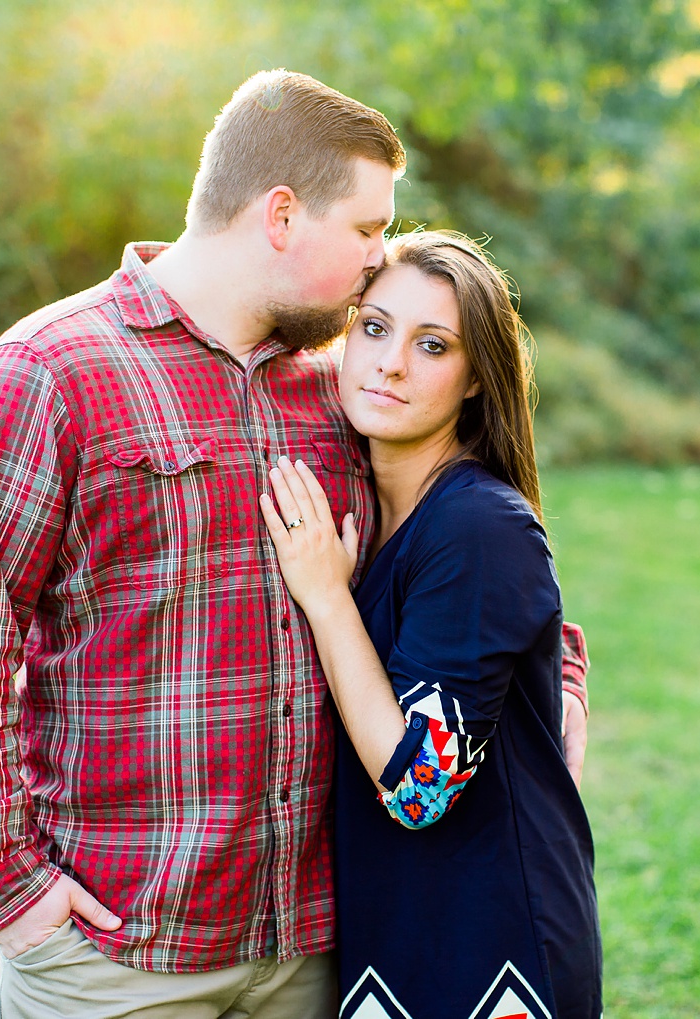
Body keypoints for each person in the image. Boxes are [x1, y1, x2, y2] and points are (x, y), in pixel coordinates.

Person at [0, 70, 589, 1018]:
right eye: (367, 231)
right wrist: (13, 889)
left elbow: (468, 563)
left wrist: (563, 684)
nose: (377, 261)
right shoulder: (45, 376)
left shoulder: (338, 391)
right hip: (121, 952)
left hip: (322, 948)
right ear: (281, 214)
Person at [259, 231, 601, 1019]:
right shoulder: (385, 510)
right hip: (403, 922)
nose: (390, 363)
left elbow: (419, 788)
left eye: (432, 344)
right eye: (373, 328)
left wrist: (326, 597)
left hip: (491, 945)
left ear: (478, 376)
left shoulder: (477, 523)